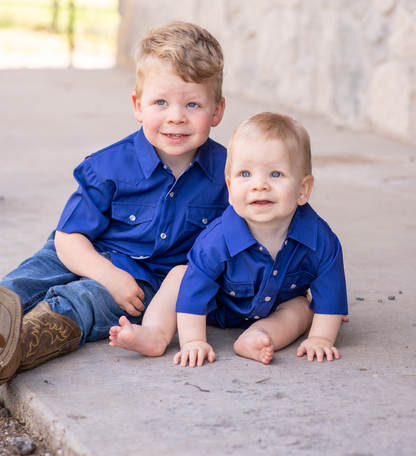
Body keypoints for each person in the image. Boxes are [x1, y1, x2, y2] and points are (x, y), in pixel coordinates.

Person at [0, 21, 228, 385]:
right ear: (138, 106)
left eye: (193, 104)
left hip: (144, 279)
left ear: (216, 111)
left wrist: (294, 289)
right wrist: (106, 270)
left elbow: (259, 232)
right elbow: (68, 238)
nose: (176, 116)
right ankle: (3, 314)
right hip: (83, 248)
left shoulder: (229, 177)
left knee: (88, 300)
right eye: (160, 102)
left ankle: (17, 348)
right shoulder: (108, 166)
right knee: (31, 276)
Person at [109, 112, 348, 366]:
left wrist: (322, 337)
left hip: (277, 307)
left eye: (275, 174)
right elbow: (194, 292)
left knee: (302, 308)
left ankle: (258, 336)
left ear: (303, 189)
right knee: (180, 276)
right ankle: (155, 333)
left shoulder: (320, 240)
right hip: (215, 306)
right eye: (245, 174)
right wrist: (193, 341)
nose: (259, 185)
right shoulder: (217, 239)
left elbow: (329, 297)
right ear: (230, 188)